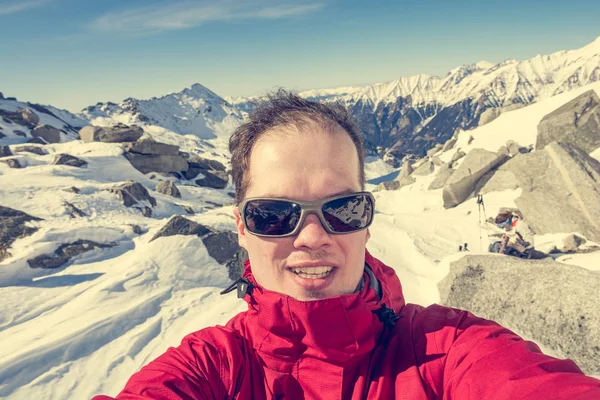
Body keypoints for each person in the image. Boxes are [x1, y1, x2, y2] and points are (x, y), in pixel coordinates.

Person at [93, 90, 600, 399]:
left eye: (342, 209)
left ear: (367, 221)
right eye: (274, 214)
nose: (313, 237)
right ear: (241, 228)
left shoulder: (447, 353)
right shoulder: (211, 369)